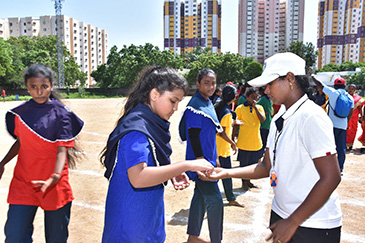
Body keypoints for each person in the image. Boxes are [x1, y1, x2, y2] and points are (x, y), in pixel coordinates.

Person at [199, 52, 342, 243]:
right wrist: (225, 173)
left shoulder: (311, 117)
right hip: (283, 214)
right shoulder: (278, 118)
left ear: (290, 78)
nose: (266, 90)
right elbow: (266, 167)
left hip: (313, 224)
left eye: (270, 83)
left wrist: (293, 221)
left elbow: (332, 177)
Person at [100, 66, 214, 242]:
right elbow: (138, 177)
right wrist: (186, 164)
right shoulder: (136, 129)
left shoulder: (150, 122)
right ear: (154, 95)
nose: (175, 108)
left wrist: (172, 172)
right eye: (173, 101)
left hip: (146, 222)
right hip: (130, 229)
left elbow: (150, 163)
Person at [0, 64, 84, 242]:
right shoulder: (20, 114)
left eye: (44, 86)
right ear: (26, 87)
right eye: (33, 87)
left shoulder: (62, 114)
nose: (39, 91)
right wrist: (3, 162)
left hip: (54, 184)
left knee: (56, 238)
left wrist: (54, 176)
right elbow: (21, 142)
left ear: (51, 86)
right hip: (24, 183)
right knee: (14, 236)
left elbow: (62, 149)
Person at [179, 68, 235, 243]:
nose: (211, 86)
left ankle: (193, 237)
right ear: (198, 84)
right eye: (206, 83)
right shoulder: (195, 106)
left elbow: (211, 133)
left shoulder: (207, 102)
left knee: (199, 198)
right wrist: (200, 162)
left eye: (213, 83)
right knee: (216, 202)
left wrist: (215, 157)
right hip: (201, 162)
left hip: (208, 159)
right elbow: (193, 135)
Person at [312, 76, 354, 173]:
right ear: (344, 86)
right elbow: (350, 113)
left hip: (331, 125)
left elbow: (320, 85)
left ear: (335, 86)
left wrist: (313, 76)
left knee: (328, 147)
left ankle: (327, 168)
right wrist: (346, 123)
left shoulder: (333, 93)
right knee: (341, 148)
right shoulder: (350, 97)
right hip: (343, 126)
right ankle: (340, 168)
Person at [214, 85, 243, 207]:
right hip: (221, 148)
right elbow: (222, 133)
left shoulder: (219, 107)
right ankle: (230, 198)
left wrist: (233, 122)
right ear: (233, 97)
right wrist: (232, 143)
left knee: (223, 174)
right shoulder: (226, 112)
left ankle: (230, 197)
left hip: (217, 147)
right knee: (225, 174)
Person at [233, 87, 265, 190]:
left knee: (253, 164)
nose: (255, 100)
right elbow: (235, 125)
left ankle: (249, 181)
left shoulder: (259, 107)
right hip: (244, 142)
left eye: (256, 97)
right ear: (247, 97)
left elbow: (262, 120)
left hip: (256, 142)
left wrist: (255, 107)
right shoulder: (240, 108)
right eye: (252, 97)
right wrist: (233, 138)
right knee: (244, 164)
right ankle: (244, 182)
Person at [346, 84, 364, 150]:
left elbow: (360, 108)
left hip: (354, 117)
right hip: (346, 117)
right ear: (347, 89)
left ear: (354, 90)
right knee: (346, 130)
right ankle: (345, 144)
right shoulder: (344, 96)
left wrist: (361, 116)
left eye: (352, 89)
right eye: (349, 88)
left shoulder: (357, 98)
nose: (351, 90)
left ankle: (350, 144)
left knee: (353, 130)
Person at [257, 86, 272, 155]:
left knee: (263, 138)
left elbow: (256, 105)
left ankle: (261, 152)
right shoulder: (269, 99)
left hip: (264, 123)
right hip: (268, 121)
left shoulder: (263, 99)